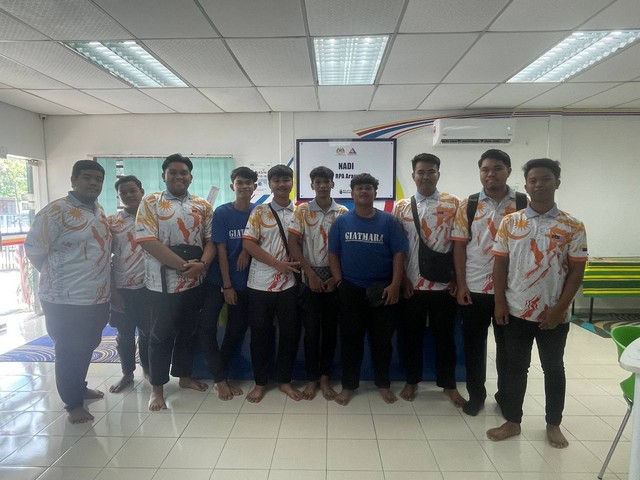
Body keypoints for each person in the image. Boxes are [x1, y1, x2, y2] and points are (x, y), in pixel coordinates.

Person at [486, 158, 587, 448]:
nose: (538, 184)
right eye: (533, 180)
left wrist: (559, 309)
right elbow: (500, 266)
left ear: (557, 183)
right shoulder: (511, 222)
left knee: (553, 368)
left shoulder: (572, 225)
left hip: (554, 314)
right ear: (526, 185)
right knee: (515, 368)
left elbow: (577, 272)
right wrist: (500, 303)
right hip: (516, 310)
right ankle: (512, 421)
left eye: (545, 179)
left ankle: (553, 423)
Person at [25, 160, 111, 423]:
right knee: (69, 349)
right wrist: (59, 278)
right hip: (64, 299)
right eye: (86, 177)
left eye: (98, 179)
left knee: (88, 345)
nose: (93, 183)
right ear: (73, 180)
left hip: (96, 296)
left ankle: (79, 387)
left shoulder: (99, 210)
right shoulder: (55, 211)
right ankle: (72, 404)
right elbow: (34, 251)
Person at [135, 153, 216, 411]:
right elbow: (147, 240)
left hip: (195, 282)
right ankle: (157, 389)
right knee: (160, 337)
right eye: (173, 172)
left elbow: (210, 241)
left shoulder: (202, 205)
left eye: (183, 173)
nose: (178, 177)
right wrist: (183, 266)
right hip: (161, 286)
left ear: (191, 177)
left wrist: (202, 265)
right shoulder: (151, 202)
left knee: (188, 332)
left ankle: (185, 376)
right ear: (164, 176)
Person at [452, 149, 527, 416]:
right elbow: (459, 246)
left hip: (510, 290)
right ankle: (476, 395)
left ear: (508, 171)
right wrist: (461, 284)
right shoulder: (469, 204)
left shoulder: (522, 202)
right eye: (485, 169)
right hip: (474, 288)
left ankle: (505, 396)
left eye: (497, 168)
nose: (490, 174)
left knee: (508, 349)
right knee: (474, 347)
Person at [328, 173, 407, 406]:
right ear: (352, 193)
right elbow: (333, 254)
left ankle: (383, 384)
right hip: (351, 289)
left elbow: (399, 254)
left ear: (375, 192)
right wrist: (339, 282)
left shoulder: (389, 222)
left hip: (383, 289)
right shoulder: (342, 222)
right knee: (350, 341)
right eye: (359, 188)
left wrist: (395, 284)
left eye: (368, 188)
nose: (364, 191)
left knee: (382, 341)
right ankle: (348, 386)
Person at [393, 153, 464, 405]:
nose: (425, 176)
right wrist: (402, 278)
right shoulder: (401, 206)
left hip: (445, 285)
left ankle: (449, 385)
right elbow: (397, 248)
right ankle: (411, 381)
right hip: (411, 285)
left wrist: (458, 279)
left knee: (445, 337)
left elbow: (459, 245)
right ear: (413, 175)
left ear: (438, 174)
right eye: (421, 172)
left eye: (430, 171)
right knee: (411, 336)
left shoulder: (454, 204)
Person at [242, 164, 301, 403]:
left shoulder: (301, 212)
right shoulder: (259, 211)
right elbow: (248, 244)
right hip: (260, 284)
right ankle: (260, 383)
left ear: (292, 182)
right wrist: (278, 264)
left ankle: (285, 381)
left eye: (286, 179)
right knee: (260, 336)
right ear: (270, 184)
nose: (281, 184)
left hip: (289, 285)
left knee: (290, 334)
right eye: (276, 180)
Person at [288, 166, 348, 400]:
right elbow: (293, 244)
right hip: (309, 280)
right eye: (318, 182)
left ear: (333, 184)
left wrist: (336, 277)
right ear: (312, 185)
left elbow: (346, 249)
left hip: (334, 280)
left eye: (326, 181)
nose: (322, 185)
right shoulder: (302, 211)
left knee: (331, 332)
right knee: (312, 333)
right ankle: (311, 379)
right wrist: (309, 274)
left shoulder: (342, 212)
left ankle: (325, 378)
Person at [199, 166, 257, 400]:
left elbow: (260, 241)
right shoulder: (222, 212)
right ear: (233, 185)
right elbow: (221, 250)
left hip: (246, 283)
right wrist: (227, 286)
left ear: (254, 186)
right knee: (210, 328)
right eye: (240, 182)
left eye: (248, 182)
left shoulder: (258, 211)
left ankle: (222, 376)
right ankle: (219, 380)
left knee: (236, 330)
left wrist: (246, 248)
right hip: (220, 281)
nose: (244, 186)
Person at [108, 175, 151, 393]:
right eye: (123, 193)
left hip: (150, 287)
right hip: (122, 287)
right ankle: (127, 373)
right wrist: (113, 292)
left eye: (132, 191)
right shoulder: (112, 223)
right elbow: (104, 258)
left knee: (148, 332)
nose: (128, 195)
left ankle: (149, 370)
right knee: (124, 334)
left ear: (141, 191)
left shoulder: (154, 217)